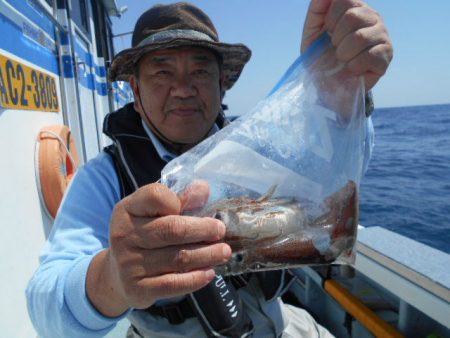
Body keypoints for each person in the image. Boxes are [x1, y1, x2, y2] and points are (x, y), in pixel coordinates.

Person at [26, 1, 393, 337]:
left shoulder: (264, 153)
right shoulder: (105, 177)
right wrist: (112, 279)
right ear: (135, 94)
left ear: (221, 85)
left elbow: (337, 172)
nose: (183, 89)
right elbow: (45, 304)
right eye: (162, 72)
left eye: (200, 71)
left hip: (281, 323)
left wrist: (338, 90)